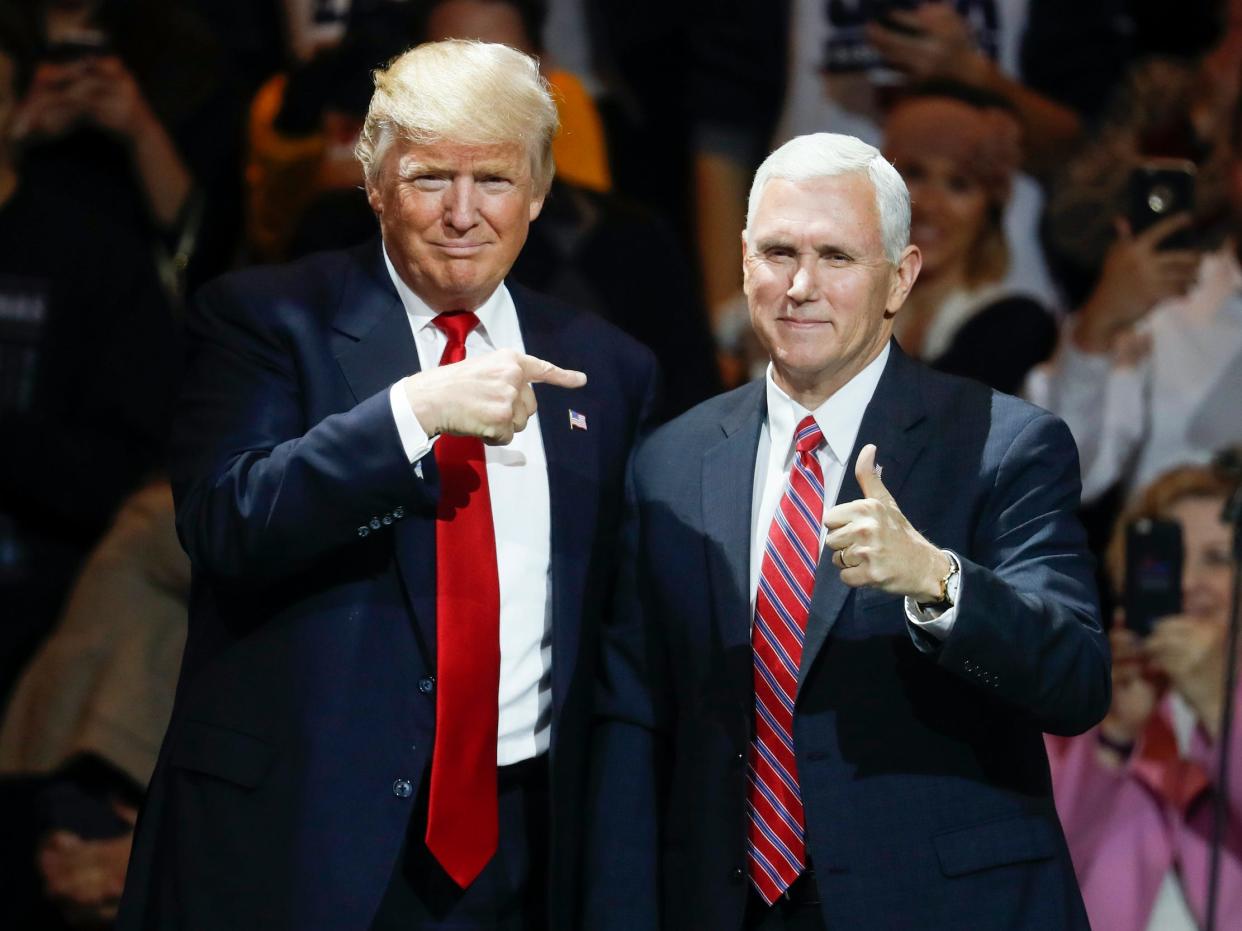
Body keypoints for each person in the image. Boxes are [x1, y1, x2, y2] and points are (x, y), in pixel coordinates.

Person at [116, 39, 658, 931]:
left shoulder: (607, 368)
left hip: (519, 851)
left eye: (492, 179)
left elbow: (614, 631)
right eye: (428, 178)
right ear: (373, 183)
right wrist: (412, 412)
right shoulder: (265, 318)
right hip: (297, 842)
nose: (461, 213)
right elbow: (226, 520)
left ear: (540, 187)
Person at [584, 132, 1109, 930]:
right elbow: (634, 721)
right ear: (743, 261)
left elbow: (1076, 679)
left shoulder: (1004, 445)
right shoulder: (668, 461)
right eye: (777, 252)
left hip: (944, 907)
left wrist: (941, 583)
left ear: (899, 278)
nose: (799, 285)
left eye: (835, 256)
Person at [1048, 464, 1242, 930]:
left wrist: (1220, 706)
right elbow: (1037, 873)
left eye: (1217, 558)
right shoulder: (1078, 706)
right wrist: (1113, 734)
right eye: (1170, 559)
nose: (1189, 583)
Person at [883, 83, 1056, 395]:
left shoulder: (1014, 324)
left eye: (958, 184)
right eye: (915, 174)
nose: (932, 205)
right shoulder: (834, 307)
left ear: (990, 205)